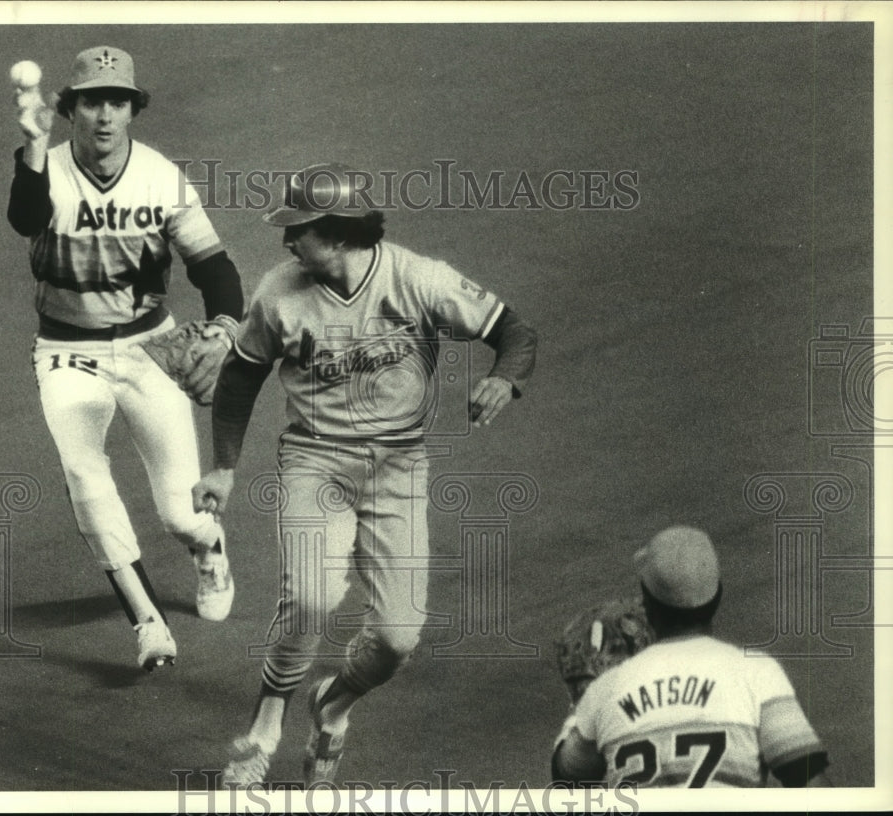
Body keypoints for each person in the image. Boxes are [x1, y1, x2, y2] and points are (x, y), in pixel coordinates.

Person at [192, 163, 538, 785]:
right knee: (310, 597)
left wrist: (504, 377)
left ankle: (333, 704)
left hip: (398, 468)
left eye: (299, 230)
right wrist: (222, 468)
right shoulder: (279, 292)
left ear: (341, 233)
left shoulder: (417, 279)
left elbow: (513, 331)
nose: (287, 241)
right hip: (314, 460)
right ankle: (265, 729)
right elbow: (241, 375)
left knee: (399, 638)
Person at [7, 46, 244, 670]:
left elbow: (214, 266)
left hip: (148, 348)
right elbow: (23, 217)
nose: (105, 115)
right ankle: (148, 622)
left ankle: (209, 547)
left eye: (118, 102)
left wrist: (223, 331)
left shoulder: (161, 177)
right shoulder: (43, 167)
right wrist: (33, 145)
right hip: (67, 350)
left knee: (178, 514)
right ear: (71, 108)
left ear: (132, 110)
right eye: (92, 101)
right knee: (86, 474)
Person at [552, 525, 831, 788]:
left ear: (647, 602)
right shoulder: (757, 674)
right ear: (717, 595)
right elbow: (813, 787)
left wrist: (584, 700)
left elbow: (568, 777)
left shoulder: (607, 689)